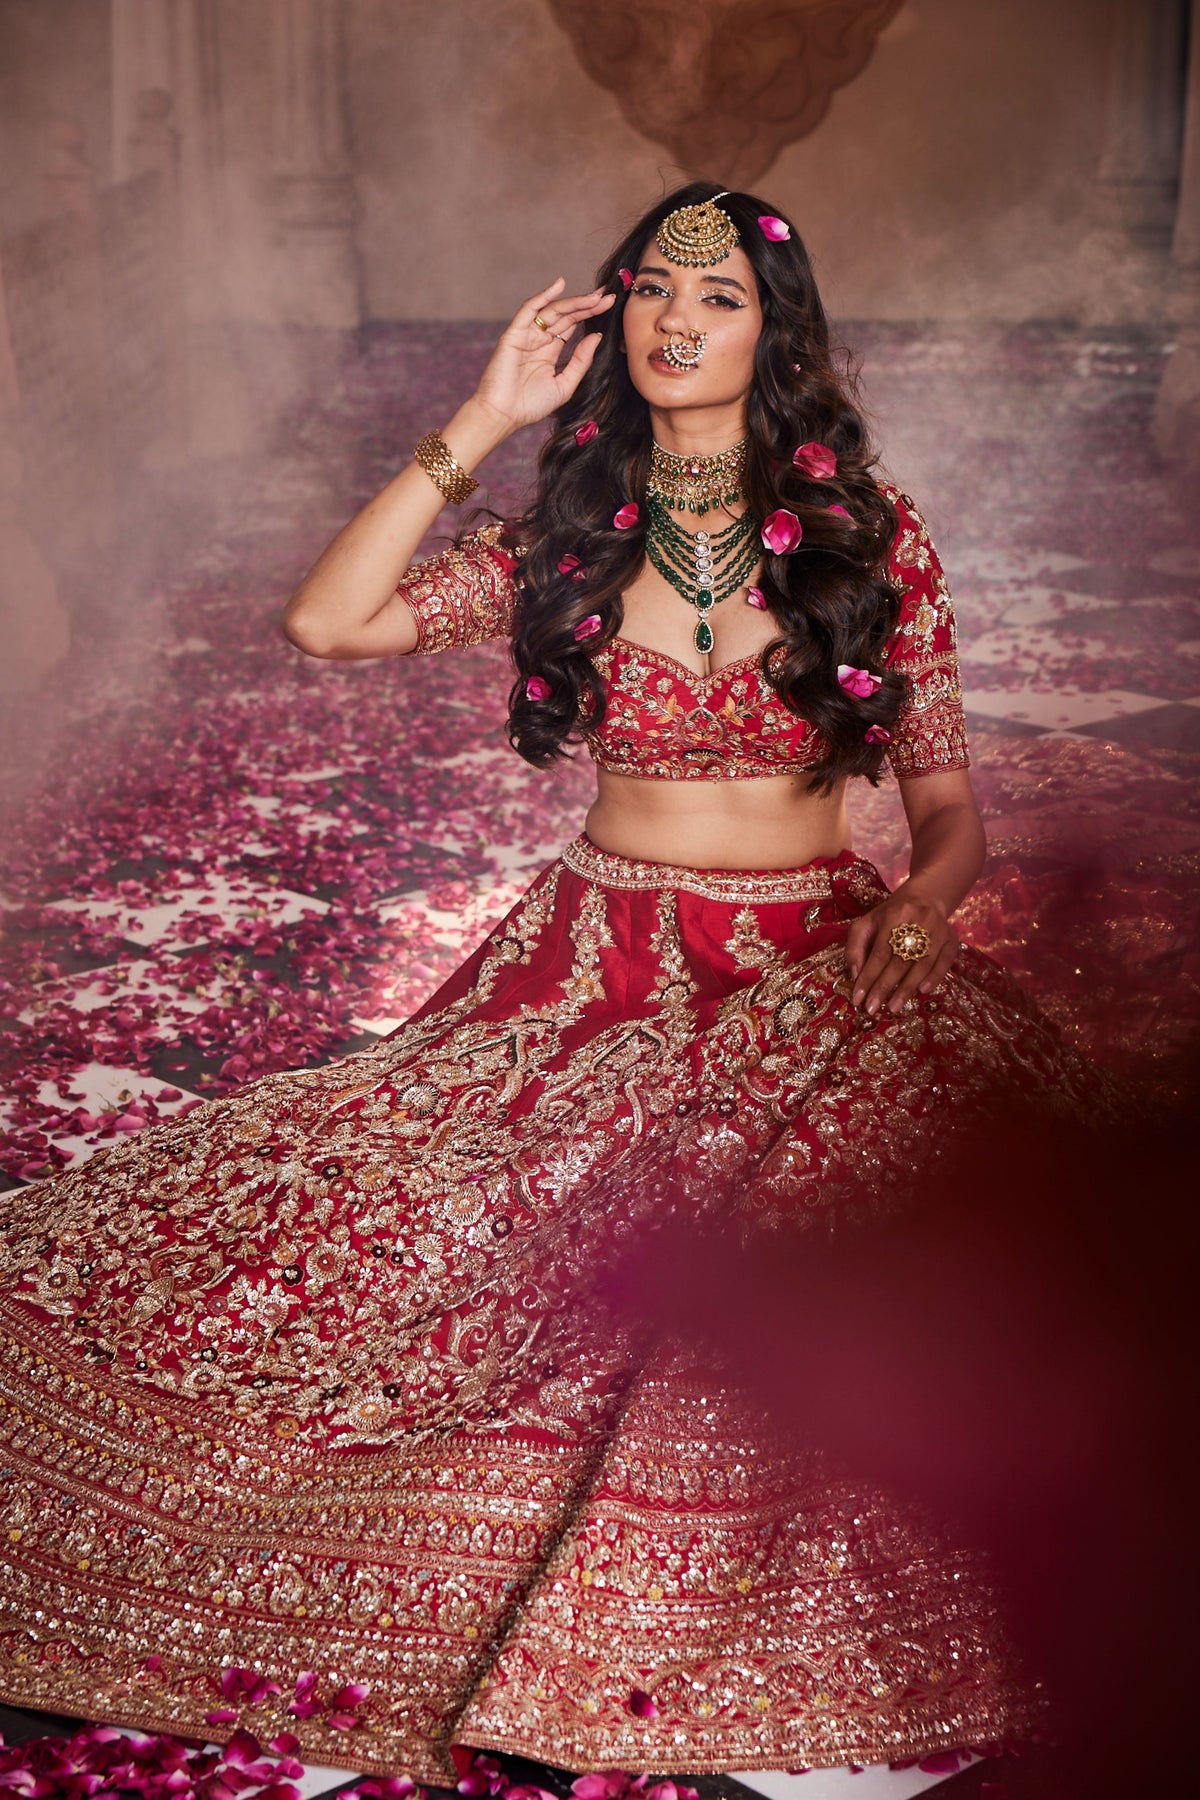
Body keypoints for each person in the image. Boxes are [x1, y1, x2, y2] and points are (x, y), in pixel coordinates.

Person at [0, 185, 1101, 1785]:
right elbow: (330, 621)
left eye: (716, 298)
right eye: (652, 290)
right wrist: (483, 413)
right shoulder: (563, 546)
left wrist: (921, 913)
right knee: (397, 1236)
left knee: (854, 1251)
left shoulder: (873, 541)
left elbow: (949, 815)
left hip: (820, 959)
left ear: (771, 334)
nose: (675, 320)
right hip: (590, 969)